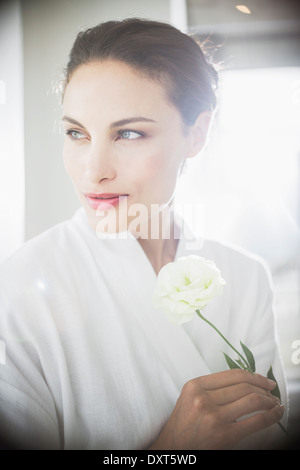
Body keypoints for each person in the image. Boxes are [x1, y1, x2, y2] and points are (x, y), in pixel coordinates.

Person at [0, 18, 287, 450]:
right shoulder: (18, 286)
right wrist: (170, 447)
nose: (93, 171)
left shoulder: (245, 278)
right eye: (76, 133)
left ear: (197, 133)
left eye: (129, 133)